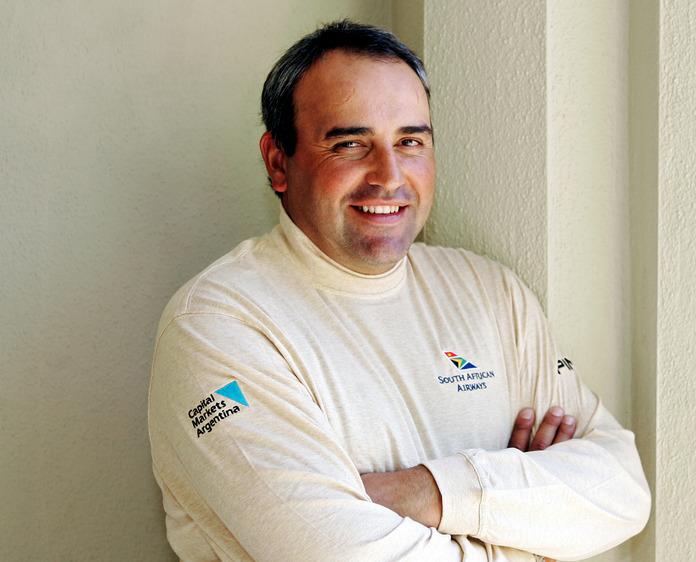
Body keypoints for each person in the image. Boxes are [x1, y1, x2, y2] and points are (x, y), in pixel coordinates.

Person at [148, 20, 650, 561]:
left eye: (410, 141)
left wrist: (427, 491)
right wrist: (530, 522)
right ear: (278, 162)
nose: (388, 175)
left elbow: (622, 491)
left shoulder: (490, 293)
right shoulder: (218, 326)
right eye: (350, 143)